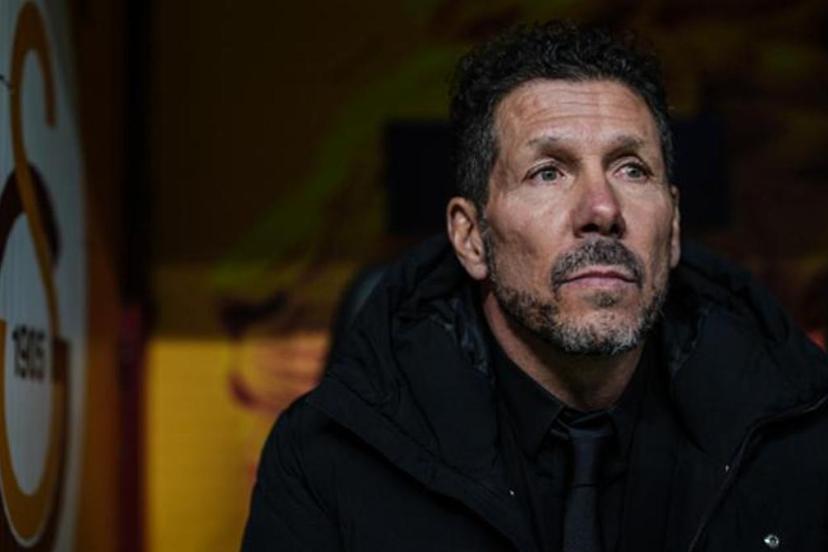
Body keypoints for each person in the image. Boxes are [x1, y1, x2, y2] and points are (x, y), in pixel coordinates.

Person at [242, 21, 828, 552]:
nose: (602, 209)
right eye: (548, 172)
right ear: (471, 238)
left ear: (672, 228)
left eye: (631, 169)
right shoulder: (329, 458)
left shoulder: (802, 439)